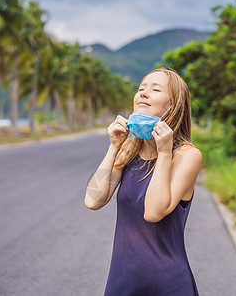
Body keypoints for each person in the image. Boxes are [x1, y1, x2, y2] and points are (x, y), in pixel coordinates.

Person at [85, 67, 202, 296]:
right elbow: (93, 200)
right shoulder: (129, 149)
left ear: (174, 105)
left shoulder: (187, 155)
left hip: (168, 284)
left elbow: (153, 212)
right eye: (141, 89)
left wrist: (164, 153)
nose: (143, 94)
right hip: (122, 281)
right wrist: (114, 147)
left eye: (155, 89)